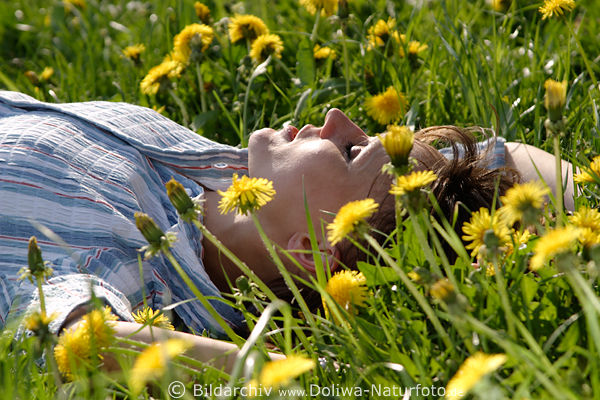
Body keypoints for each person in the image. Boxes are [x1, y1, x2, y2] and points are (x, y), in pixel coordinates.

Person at [0, 90, 574, 371]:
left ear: (315, 247)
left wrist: (282, 374)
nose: (335, 119)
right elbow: (510, 156)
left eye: (350, 150)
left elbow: (79, 339)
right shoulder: (201, 162)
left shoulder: (135, 271)